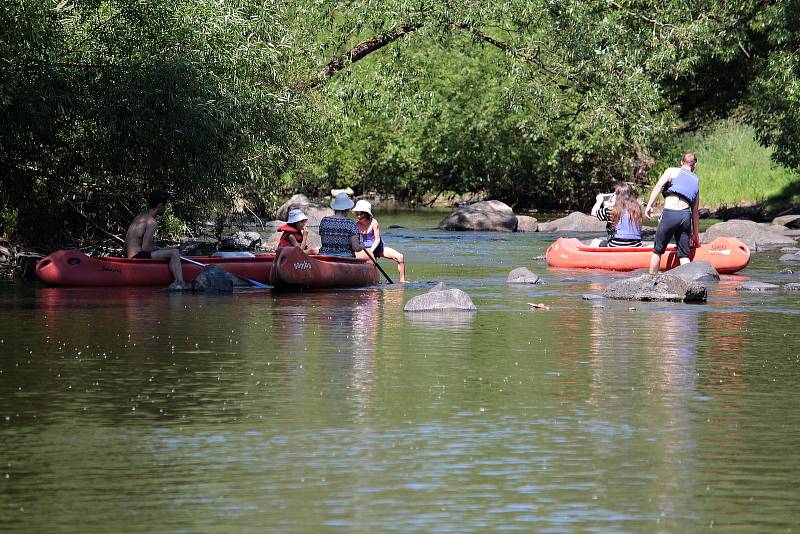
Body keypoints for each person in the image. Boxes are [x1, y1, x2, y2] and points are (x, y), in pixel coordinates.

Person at [644, 153, 701, 274]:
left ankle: (650, 281)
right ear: (695, 165)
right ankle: (688, 284)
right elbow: (695, 212)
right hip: (685, 216)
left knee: (657, 251)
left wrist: (649, 205)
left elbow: (659, 186)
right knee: (684, 255)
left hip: (670, 214)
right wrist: (696, 234)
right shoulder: (696, 180)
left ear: (681, 162)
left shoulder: (672, 171)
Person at [124, 190, 189, 290]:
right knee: (174, 252)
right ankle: (180, 283)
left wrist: (160, 249)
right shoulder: (152, 222)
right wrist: (163, 250)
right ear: (159, 206)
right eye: (164, 205)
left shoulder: (140, 216)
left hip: (130, 256)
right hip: (137, 258)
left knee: (167, 251)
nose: (165, 208)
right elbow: (145, 248)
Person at [352, 200, 406, 283]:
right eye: (357, 214)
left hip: (377, 247)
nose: (358, 216)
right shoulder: (357, 225)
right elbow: (357, 241)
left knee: (400, 257)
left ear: (366, 214)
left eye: (360, 214)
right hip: (365, 249)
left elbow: (377, 239)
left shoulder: (374, 222)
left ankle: (402, 281)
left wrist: (371, 251)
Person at [590, 183, 643, 247]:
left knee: (594, 242)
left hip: (615, 245)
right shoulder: (637, 211)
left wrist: (599, 200)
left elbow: (593, 212)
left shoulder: (611, 211)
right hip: (636, 246)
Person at [318, 192, 363, 257]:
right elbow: (356, 248)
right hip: (345, 259)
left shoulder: (324, 220)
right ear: (347, 209)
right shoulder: (350, 223)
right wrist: (361, 245)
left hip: (325, 258)